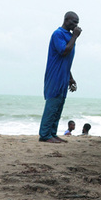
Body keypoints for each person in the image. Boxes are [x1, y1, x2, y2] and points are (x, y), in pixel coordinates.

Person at [38, 11, 81, 144]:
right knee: (52, 103)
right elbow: (64, 51)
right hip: (55, 75)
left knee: (59, 105)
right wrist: (75, 36)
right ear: (66, 20)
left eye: (77, 23)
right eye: (73, 22)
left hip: (64, 75)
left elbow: (66, 61)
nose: (75, 25)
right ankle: (44, 134)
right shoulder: (58, 34)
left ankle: (52, 133)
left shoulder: (69, 36)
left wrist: (70, 78)